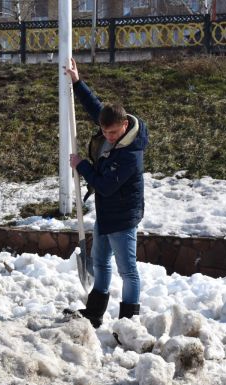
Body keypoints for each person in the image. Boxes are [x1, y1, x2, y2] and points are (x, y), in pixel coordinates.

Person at [65, 57, 149, 328]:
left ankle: (128, 324)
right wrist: (78, 82)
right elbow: (96, 108)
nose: (108, 135)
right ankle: (95, 312)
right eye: (104, 131)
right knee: (100, 263)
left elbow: (106, 185)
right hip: (106, 214)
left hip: (123, 218)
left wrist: (82, 166)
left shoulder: (130, 155)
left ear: (124, 126)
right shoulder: (111, 125)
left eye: (113, 132)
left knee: (128, 272)